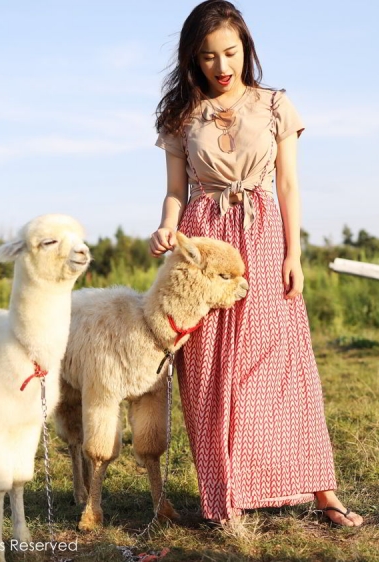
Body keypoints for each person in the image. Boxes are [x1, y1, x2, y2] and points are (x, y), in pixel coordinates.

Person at [148, 0, 364, 527]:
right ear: (192, 60)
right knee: (206, 369)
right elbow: (177, 191)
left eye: (230, 52)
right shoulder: (181, 116)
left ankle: (321, 490)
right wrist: (166, 226)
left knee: (282, 361)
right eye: (208, 57)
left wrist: (295, 252)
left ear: (246, 49)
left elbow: (288, 184)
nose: (221, 66)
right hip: (205, 243)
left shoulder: (275, 105)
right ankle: (226, 495)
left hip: (264, 234)